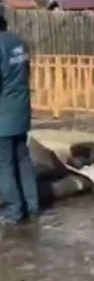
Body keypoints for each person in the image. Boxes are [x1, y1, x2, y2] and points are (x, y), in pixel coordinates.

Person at [0, 11, 37, 225]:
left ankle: (13, 211)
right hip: (21, 110)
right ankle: (31, 206)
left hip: (3, 115)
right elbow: (26, 73)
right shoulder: (19, 43)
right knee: (23, 160)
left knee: (4, 165)